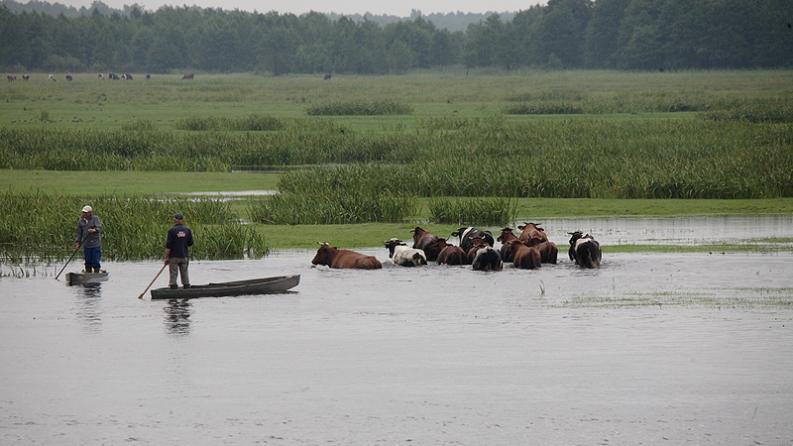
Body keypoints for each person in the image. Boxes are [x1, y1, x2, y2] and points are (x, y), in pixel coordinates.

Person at [164, 212, 193, 289]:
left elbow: (168, 246)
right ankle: (186, 286)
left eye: (175, 218)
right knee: (185, 272)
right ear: (182, 220)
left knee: (173, 273)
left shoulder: (171, 231)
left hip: (174, 257)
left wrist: (166, 258)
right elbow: (190, 243)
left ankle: (173, 287)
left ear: (175, 220)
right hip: (184, 256)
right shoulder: (187, 230)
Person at [75, 205, 102, 273]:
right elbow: (79, 233)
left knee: (95, 261)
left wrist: (94, 230)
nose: (84, 214)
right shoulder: (81, 221)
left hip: (95, 244)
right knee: (88, 261)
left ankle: (96, 273)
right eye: (83, 212)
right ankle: (88, 274)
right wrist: (78, 243)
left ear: (90, 212)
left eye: (85, 212)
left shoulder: (95, 218)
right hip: (86, 244)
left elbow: (99, 228)